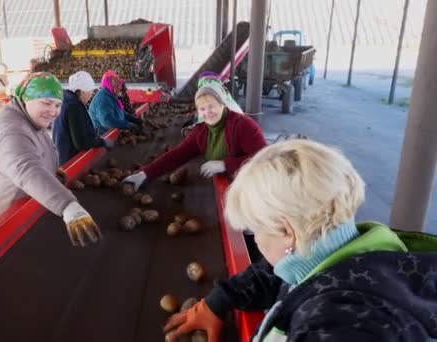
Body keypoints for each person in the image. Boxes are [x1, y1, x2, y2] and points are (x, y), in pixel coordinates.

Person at [164, 139, 437, 342]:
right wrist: (219, 300)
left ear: (286, 231)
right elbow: (283, 272)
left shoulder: (336, 326)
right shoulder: (363, 255)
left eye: (256, 229)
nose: (256, 239)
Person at [0, 72, 102, 247]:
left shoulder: (30, 120)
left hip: (17, 214)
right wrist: (68, 206)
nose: (53, 111)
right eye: (46, 103)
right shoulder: (10, 130)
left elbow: (39, 153)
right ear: (26, 98)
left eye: (57, 105)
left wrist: (52, 172)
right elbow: (26, 169)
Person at [122, 81, 267, 190]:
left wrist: (225, 164)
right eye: (202, 109)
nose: (207, 112)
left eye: (212, 106)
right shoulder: (201, 131)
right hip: (231, 184)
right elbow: (177, 155)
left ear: (222, 104)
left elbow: (265, 158)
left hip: (252, 186)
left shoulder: (243, 126)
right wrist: (145, 174)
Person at [53, 71, 115, 165]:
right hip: (70, 161)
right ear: (82, 91)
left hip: (59, 156)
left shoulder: (64, 99)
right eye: (90, 92)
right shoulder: (74, 106)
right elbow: (82, 143)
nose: (91, 96)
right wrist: (103, 142)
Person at [88, 70, 143, 135]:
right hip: (104, 135)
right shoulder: (103, 99)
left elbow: (121, 113)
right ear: (109, 85)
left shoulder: (111, 95)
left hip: (113, 132)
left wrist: (134, 120)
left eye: (118, 85)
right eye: (116, 86)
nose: (119, 88)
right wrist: (129, 126)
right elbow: (107, 121)